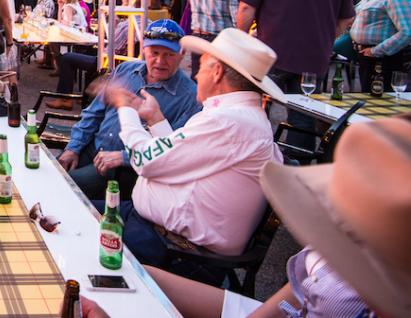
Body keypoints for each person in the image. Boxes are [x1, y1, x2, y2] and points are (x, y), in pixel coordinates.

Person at [110, 117, 411, 318]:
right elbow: (283, 303)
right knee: (132, 276)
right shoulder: (338, 247)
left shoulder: (229, 123)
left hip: (186, 247)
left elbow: (153, 162)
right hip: (175, 239)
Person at [102, 28, 284, 286]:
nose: (196, 73)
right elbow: (178, 159)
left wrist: (126, 109)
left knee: (68, 230)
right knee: (70, 209)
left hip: (174, 252)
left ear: (217, 72)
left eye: (201, 66)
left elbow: (144, 160)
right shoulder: (241, 117)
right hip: (161, 234)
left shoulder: (228, 121)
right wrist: (156, 119)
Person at [56, 19, 202, 201]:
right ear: (144, 50)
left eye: (169, 55)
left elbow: (173, 151)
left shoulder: (190, 97)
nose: (159, 61)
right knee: (45, 173)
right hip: (90, 146)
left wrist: (124, 157)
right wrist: (74, 147)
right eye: (154, 52)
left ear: (183, 53)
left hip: (121, 169)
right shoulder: (126, 69)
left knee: (58, 188)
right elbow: (94, 113)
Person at [238, 0, 354, 148]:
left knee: (254, 106)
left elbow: (246, 9)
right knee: (304, 114)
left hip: (271, 54)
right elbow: (346, 19)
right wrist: (328, 39)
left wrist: (241, 41)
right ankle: (297, 163)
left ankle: (254, 154)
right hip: (314, 58)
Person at [351, 0, 411, 95]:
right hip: (369, 58)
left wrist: (376, 51)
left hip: (384, 61)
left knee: (377, 108)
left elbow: (407, 32)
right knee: (369, 104)